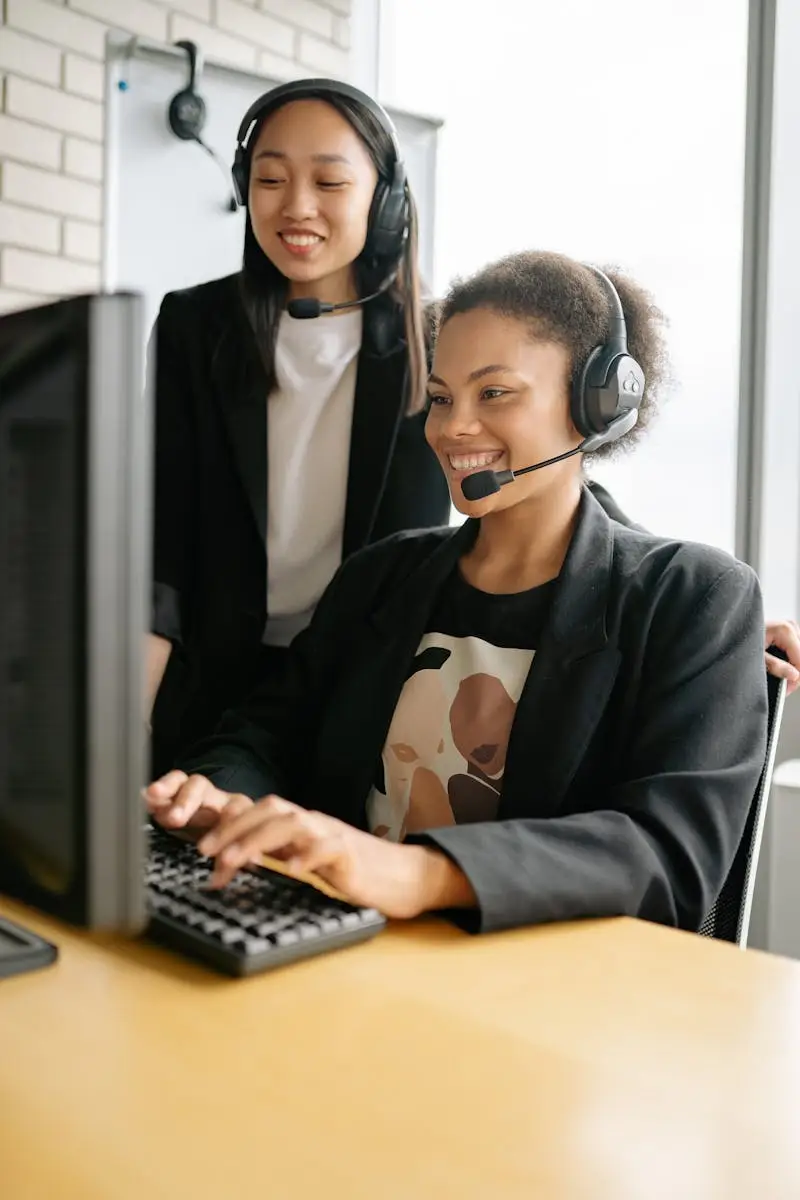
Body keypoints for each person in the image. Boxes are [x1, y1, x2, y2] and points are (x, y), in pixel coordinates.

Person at [145, 251, 769, 935]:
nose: (450, 428)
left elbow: (668, 855)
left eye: (494, 393)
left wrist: (418, 872)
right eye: (441, 397)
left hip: (536, 996)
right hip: (339, 954)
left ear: (596, 404)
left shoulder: (694, 599)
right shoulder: (383, 576)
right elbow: (265, 731)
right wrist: (219, 792)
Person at [146, 78, 450, 776]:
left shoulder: (439, 340)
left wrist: (684, 593)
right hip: (209, 688)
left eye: (330, 181)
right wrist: (125, 720)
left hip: (360, 689)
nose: (297, 206)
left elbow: (534, 474)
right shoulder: (196, 326)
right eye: (271, 179)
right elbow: (163, 532)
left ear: (386, 201)